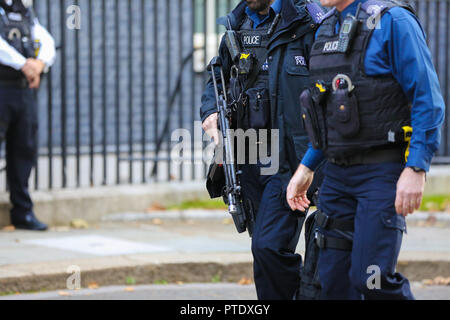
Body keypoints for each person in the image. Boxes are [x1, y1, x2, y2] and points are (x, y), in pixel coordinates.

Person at [286, 0, 445, 299]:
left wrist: (416, 167)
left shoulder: (394, 21)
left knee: (371, 279)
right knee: (331, 282)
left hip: (380, 172)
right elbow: (329, 115)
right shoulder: (326, 28)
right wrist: (306, 167)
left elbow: (427, 99)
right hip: (335, 175)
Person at [201, 0, 325, 300]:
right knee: (265, 249)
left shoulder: (306, 22)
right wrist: (209, 111)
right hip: (247, 151)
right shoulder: (239, 23)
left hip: (290, 157)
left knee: (268, 246)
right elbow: (216, 74)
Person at [0, 0, 55, 231]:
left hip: (24, 91)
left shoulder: (25, 10)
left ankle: (22, 213)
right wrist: (24, 63)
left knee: (24, 150)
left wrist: (40, 63)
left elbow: (45, 39)